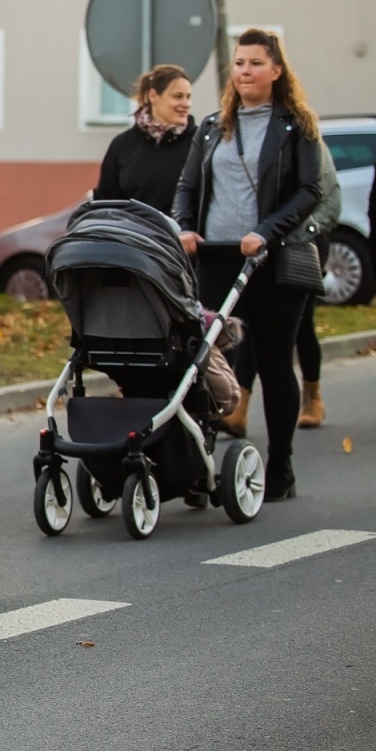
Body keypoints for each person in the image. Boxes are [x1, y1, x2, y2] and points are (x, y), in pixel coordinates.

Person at [175, 28, 322, 502]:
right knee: (204, 362)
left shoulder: (295, 126)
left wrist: (268, 230)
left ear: (276, 71)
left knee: (276, 364)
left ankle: (281, 466)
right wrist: (184, 227)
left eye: (255, 63)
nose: (245, 72)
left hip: (272, 261)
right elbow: (188, 186)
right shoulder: (215, 125)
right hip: (217, 259)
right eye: (239, 63)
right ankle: (200, 465)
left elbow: (309, 191)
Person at [229, 138, 342, 430]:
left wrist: (303, 230)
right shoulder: (253, 141)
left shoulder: (309, 142)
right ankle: (239, 406)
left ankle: (312, 396)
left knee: (301, 324)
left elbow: (331, 201)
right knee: (249, 321)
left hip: (303, 244)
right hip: (259, 241)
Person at [93, 64, 195, 213]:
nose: (185, 104)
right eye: (178, 96)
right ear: (153, 96)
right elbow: (105, 202)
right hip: (133, 234)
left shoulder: (199, 143)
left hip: (181, 235)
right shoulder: (122, 145)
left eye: (188, 97)